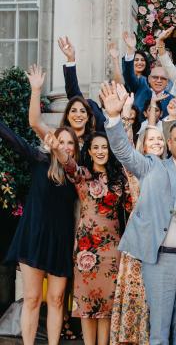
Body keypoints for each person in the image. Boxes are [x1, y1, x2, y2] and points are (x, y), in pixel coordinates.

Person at [102, 81, 176, 344]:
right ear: (169, 143)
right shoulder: (153, 167)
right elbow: (125, 153)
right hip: (161, 260)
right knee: (158, 334)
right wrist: (114, 118)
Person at [3, 66, 80, 345]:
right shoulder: (39, 160)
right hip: (34, 236)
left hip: (60, 240)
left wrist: (58, 148)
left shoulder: (76, 173)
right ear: (54, 142)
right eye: (62, 141)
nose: (66, 146)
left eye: (71, 143)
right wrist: (36, 90)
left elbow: (69, 164)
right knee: (33, 298)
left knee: (57, 299)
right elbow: (26, 127)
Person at [46, 129, 129, 345]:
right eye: (96, 147)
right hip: (86, 249)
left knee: (107, 306)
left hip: (112, 248)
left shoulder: (120, 178)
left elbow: (131, 205)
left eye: (104, 147)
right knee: (86, 306)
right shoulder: (81, 174)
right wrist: (56, 147)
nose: (101, 151)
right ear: (89, 151)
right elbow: (68, 163)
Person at [110, 125, 166, 345]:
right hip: (140, 243)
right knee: (137, 297)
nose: (156, 142)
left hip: (162, 244)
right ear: (142, 145)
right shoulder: (139, 166)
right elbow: (124, 149)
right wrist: (122, 116)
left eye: (160, 138)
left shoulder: (168, 167)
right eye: (151, 139)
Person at [58, 36, 106, 132]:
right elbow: (74, 95)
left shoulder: (126, 114)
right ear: (100, 96)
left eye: (111, 92)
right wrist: (71, 59)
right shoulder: (92, 107)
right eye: (104, 91)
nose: (107, 95)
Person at [122, 31, 174, 118]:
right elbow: (129, 77)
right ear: (149, 79)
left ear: (167, 82)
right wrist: (131, 50)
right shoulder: (141, 85)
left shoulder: (172, 100)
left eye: (163, 78)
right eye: (155, 77)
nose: (158, 81)